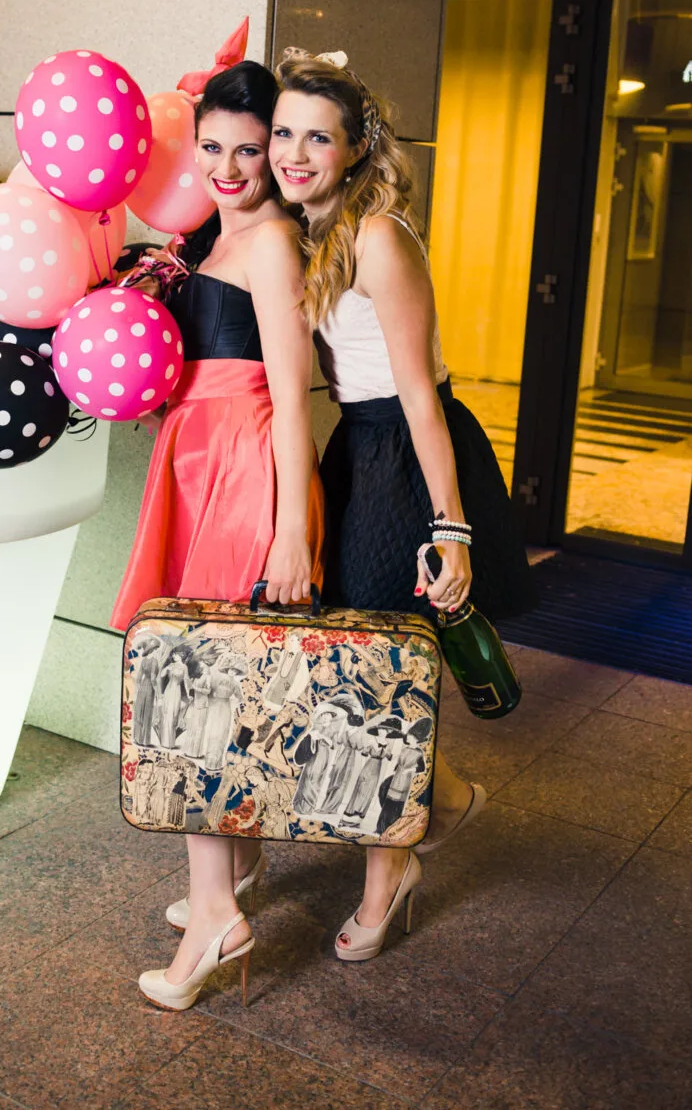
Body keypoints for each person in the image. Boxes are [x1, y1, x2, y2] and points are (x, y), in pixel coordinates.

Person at [269, 49, 536, 963]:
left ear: (355, 149)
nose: (294, 152)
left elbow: (422, 394)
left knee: (376, 668)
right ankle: (446, 797)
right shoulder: (304, 229)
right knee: (359, 658)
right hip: (359, 449)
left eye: (318, 136)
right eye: (283, 133)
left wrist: (450, 526)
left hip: (409, 453)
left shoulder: (380, 235)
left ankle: (391, 870)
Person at [112, 59, 325, 1011]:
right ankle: (227, 876)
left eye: (251, 150)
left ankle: (215, 918)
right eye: (214, 149)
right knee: (213, 676)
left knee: (199, 691)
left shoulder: (273, 244)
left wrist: (289, 531)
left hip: (244, 471)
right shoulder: (212, 235)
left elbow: (291, 397)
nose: (232, 168)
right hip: (200, 463)